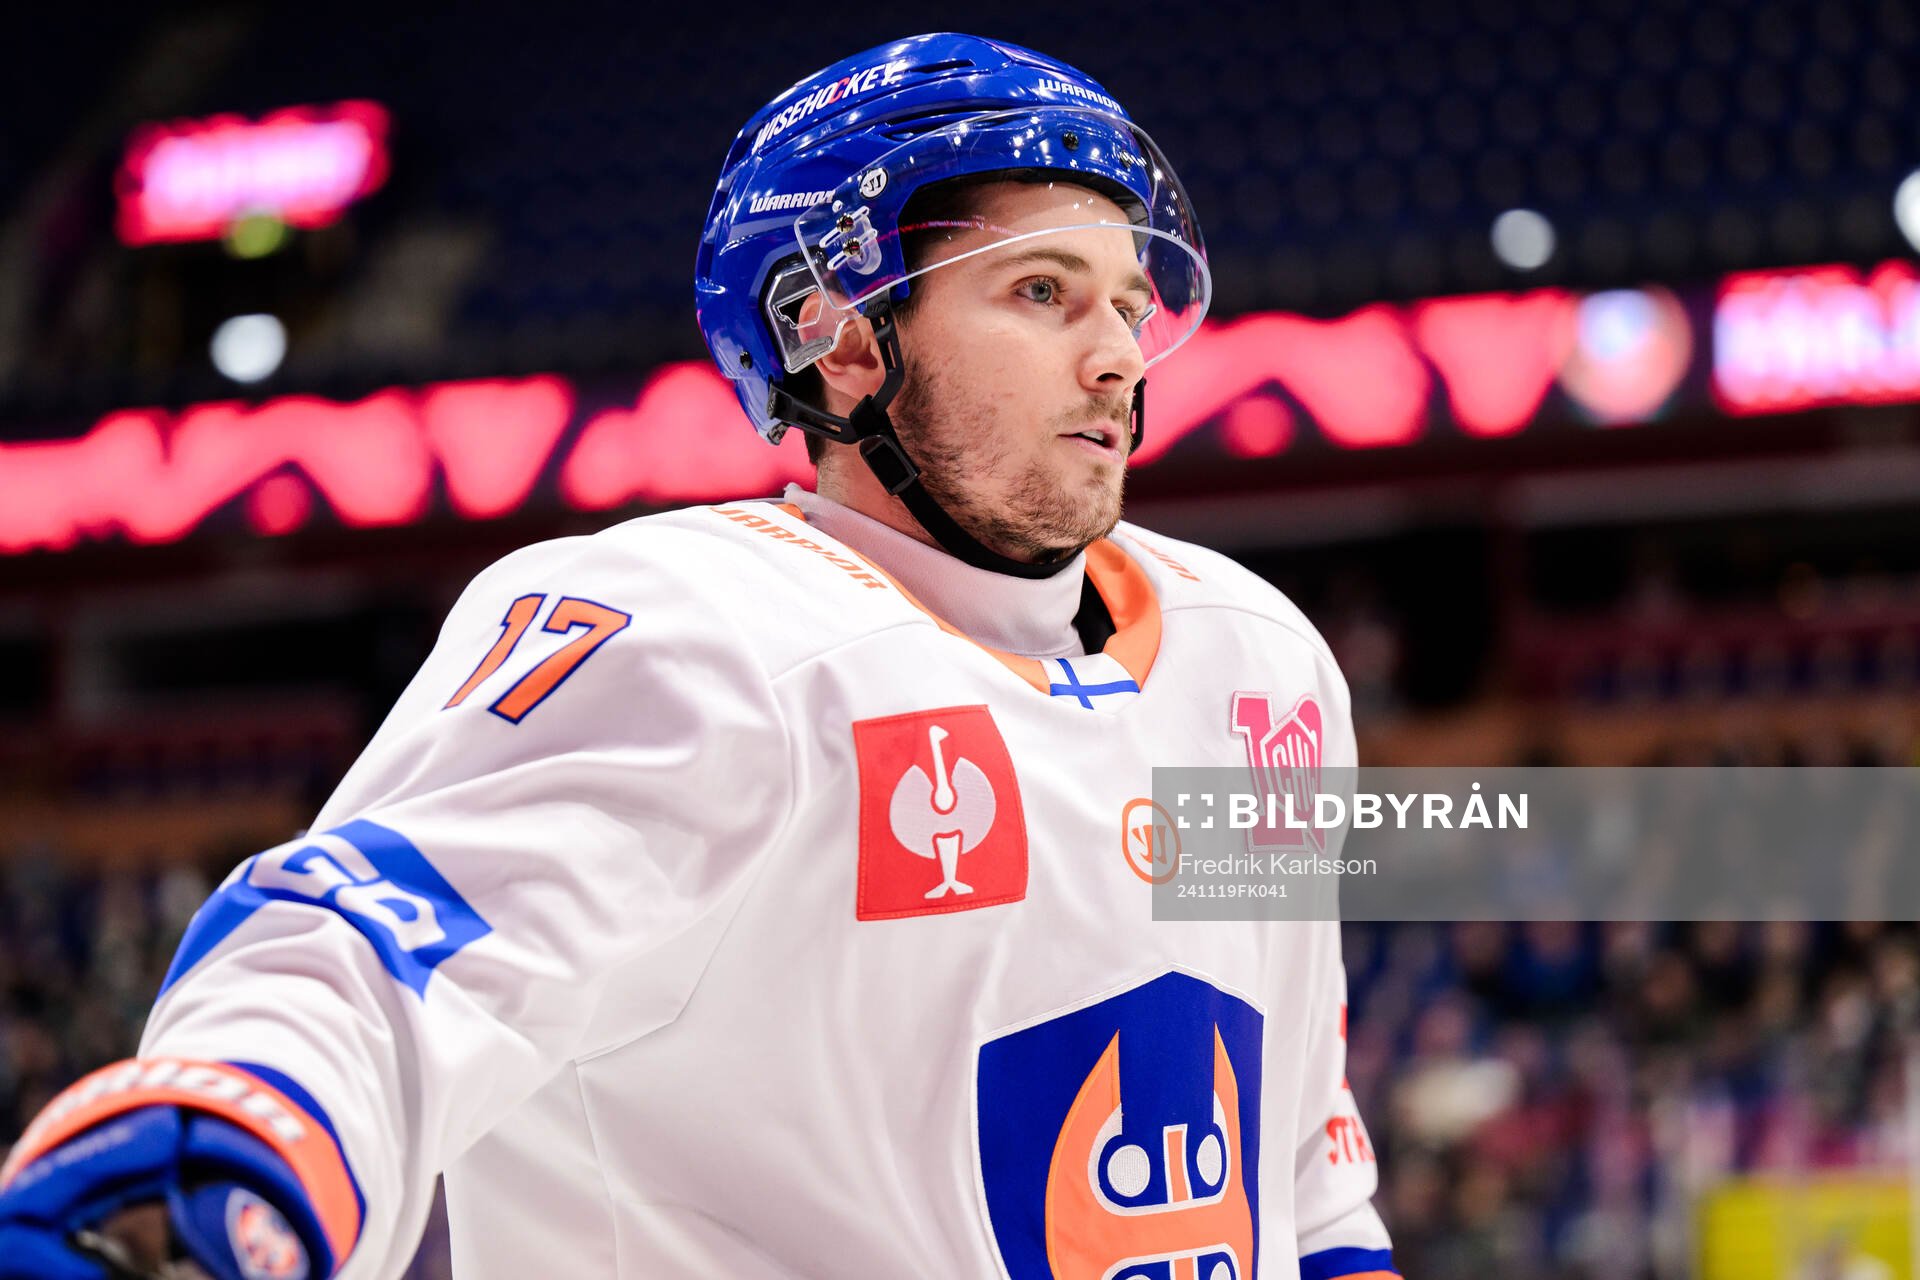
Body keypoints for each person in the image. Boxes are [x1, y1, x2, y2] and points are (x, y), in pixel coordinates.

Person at [0, 33, 1395, 1280]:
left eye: (1130, 304)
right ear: (840, 340)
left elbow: (1298, 1163)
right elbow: (381, 954)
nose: (1119, 358)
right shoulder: (696, 633)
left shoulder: (1256, 662)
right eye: (1043, 291)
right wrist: (222, 1139)